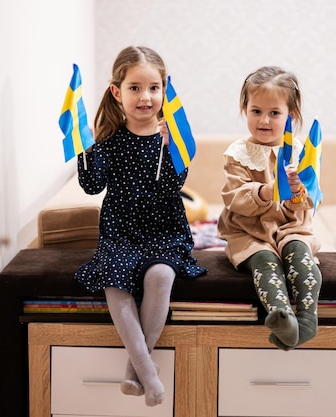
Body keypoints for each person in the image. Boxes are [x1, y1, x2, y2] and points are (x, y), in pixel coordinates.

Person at [74, 45, 205, 407]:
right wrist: (85, 147)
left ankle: (136, 370)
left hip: (164, 231)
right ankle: (150, 374)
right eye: (135, 88)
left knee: (160, 277)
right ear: (117, 93)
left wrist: (171, 147)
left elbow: (172, 187)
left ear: (164, 90)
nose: (145, 97)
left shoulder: (171, 141)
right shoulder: (109, 143)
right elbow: (92, 186)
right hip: (121, 232)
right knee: (114, 280)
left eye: (153, 88)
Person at [217, 66, 322, 351]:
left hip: (291, 227)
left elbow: (310, 201)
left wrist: (297, 189)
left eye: (275, 113)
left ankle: (307, 321)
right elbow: (233, 198)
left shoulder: (300, 154)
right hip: (249, 232)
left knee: (299, 255)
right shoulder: (237, 153)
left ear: (292, 116)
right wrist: (266, 190)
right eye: (256, 111)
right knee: (264, 260)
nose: (264, 120)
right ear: (245, 109)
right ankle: (283, 318)